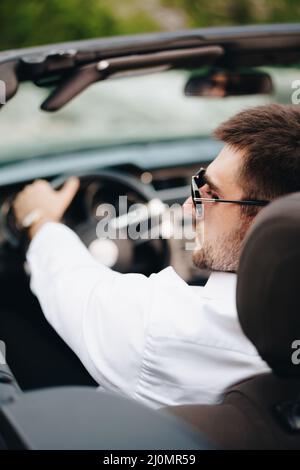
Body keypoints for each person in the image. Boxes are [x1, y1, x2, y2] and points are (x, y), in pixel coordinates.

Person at [13, 104, 300, 409]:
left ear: (271, 221)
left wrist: (39, 220)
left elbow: (70, 286)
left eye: (211, 195)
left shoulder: (172, 328)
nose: (188, 209)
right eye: (197, 184)